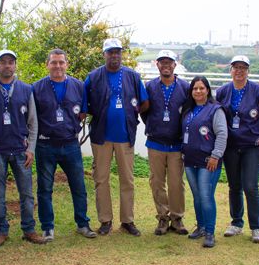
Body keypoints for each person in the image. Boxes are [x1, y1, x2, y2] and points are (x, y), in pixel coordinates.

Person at [0, 49, 45, 246]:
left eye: (10, 62)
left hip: (21, 151)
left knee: (27, 194)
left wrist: (31, 148)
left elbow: (33, 122)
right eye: (3, 62)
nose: (7, 65)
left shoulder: (26, 89)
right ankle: (1, 231)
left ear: (15, 66)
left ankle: (29, 229)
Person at [83, 38, 149, 236]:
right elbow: (84, 106)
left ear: (121, 54)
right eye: (110, 52)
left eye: (117, 52)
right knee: (101, 179)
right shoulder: (93, 77)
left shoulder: (133, 76)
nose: (114, 56)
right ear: (104, 54)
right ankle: (105, 220)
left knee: (127, 180)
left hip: (125, 136)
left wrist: (132, 114)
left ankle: (127, 221)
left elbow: (145, 102)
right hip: (101, 137)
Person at [32, 49, 96, 241]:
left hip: (70, 144)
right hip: (45, 145)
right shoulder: (36, 88)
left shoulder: (78, 86)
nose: (58, 66)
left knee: (78, 187)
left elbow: (83, 113)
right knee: (44, 189)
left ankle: (82, 224)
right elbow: (31, 118)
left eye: (61, 62)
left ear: (67, 64)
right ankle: (47, 227)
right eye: (54, 62)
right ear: (47, 64)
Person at [216, 55, 259, 243]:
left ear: (248, 70)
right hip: (231, 146)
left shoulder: (258, 91)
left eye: (243, 68)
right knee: (234, 186)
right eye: (236, 67)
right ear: (230, 70)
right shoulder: (222, 91)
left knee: (250, 186)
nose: (239, 71)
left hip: (252, 145)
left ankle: (256, 227)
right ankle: (236, 223)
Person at [143, 50, 190, 235]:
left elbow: (189, 112)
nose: (166, 65)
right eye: (162, 62)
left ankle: (177, 218)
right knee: (156, 182)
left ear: (174, 65)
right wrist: (153, 125)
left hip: (177, 144)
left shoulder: (185, 87)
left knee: (177, 183)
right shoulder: (150, 86)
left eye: (169, 62)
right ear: (157, 65)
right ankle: (162, 217)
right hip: (155, 142)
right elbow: (144, 110)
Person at [182, 76, 228, 248]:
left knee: (206, 196)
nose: (198, 91)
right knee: (197, 196)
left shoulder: (215, 110)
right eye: (195, 88)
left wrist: (216, 155)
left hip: (208, 161)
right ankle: (200, 227)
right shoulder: (188, 110)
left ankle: (209, 231)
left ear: (208, 90)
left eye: (202, 88)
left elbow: (222, 134)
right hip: (190, 160)